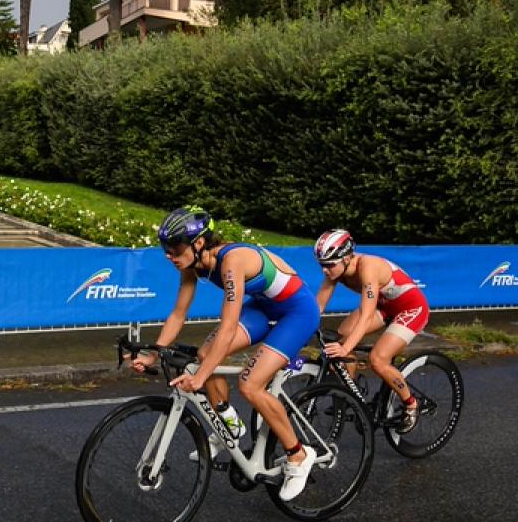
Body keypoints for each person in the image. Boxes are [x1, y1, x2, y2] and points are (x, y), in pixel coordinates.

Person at [130, 206, 323, 502]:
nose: (169, 255)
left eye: (175, 248)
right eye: (165, 249)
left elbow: (229, 326)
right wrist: (154, 353)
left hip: (297, 311)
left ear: (198, 244)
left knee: (249, 383)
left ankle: (298, 455)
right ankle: (229, 423)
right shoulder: (192, 266)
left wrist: (202, 377)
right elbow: (178, 314)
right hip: (264, 307)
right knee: (205, 354)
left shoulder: (231, 260)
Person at [310, 229, 430, 433]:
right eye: (322, 264)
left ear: (347, 258)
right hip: (384, 307)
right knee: (342, 336)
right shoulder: (335, 271)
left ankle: (411, 404)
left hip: (411, 308)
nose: (325, 270)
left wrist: (346, 347)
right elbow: (317, 307)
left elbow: (365, 316)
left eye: (329, 264)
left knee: (378, 359)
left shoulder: (368, 267)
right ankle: (351, 391)